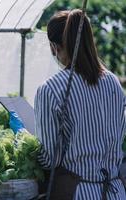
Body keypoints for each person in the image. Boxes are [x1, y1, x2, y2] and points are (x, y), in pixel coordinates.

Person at [34, 9, 126, 199]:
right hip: (116, 191)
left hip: (78, 192)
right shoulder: (113, 82)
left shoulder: (50, 89)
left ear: (54, 46)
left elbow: (50, 159)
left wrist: (25, 140)